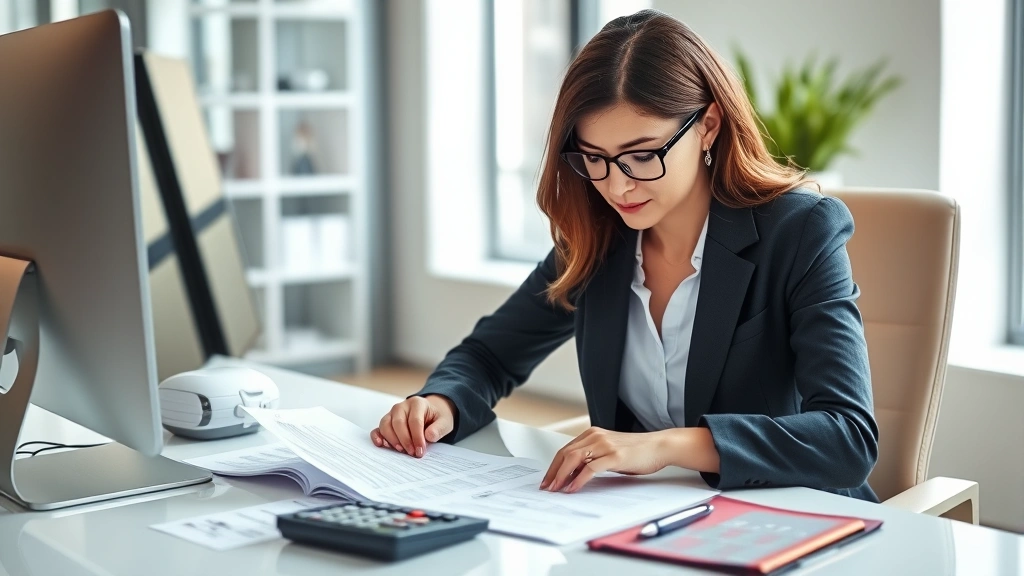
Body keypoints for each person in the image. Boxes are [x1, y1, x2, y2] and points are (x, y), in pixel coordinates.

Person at [370, 9, 879, 502]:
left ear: (708, 125)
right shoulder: (597, 236)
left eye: (642, 155)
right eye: (595, 158)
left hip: (795, 516)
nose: (617, 185)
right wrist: (441, 402)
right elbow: (489, 355)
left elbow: (847, 437)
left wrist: (662, 447)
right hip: (643, 515)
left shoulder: (801, 231)